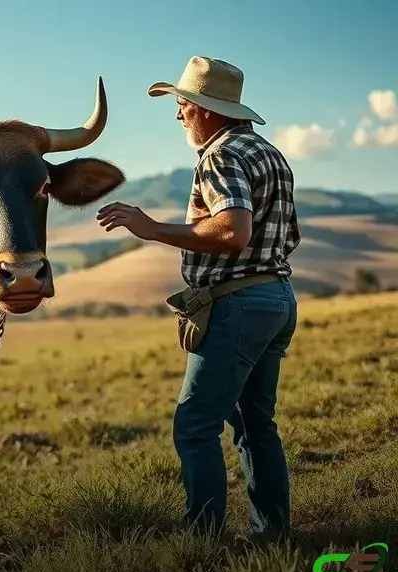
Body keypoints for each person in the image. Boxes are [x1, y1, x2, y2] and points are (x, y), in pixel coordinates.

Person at [96, 56, 300, 539]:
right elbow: (285, 233)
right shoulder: (270, 153)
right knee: (256, 425)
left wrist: (152, 229)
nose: (179, 114)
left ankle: (203, 542)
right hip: (277, 297)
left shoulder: (220, 155)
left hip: (237, 304)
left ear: (207, 110)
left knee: (195, 427)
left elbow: (233, 230)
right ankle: (271, 536)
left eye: (183, 103)